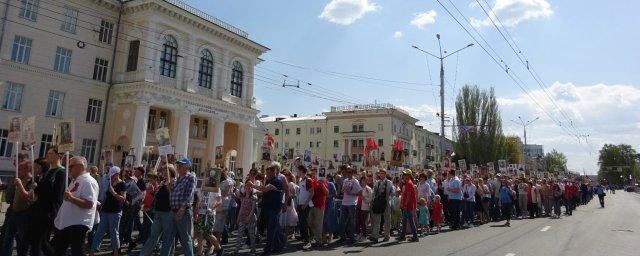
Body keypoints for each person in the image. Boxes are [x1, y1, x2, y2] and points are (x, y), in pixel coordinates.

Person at [52, 156, 99, 256]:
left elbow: (89, 203)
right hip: (68, 222)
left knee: (77, 251)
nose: (68, 168)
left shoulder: (88, 181)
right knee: (57, 250)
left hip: (78, 223)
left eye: (71, 166)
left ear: (80, 166)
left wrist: (71, 198)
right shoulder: (75, 181)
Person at [26, 146, 66, 256]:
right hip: (39, 210)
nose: (47, 155)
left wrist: (37, 188)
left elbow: (56, 195)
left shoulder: (61, 173)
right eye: (47, 153)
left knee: (39, 242)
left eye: (51, 153)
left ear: (59, 155)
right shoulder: (48, 172)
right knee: (38, 241)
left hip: (48, 212)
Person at [139, 165, 177, 256]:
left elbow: (174, 195)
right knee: (153, 236)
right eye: (163, 170)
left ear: (171, 172)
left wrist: (170, 187)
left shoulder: (174, 182)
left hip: (168, 213)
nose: (163, 172)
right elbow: (157, 196)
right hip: (158, 212)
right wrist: (152, 193)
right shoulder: (163, 182)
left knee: (168, 237)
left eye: (165, 170)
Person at [90, 166, 127, 256]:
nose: (111, 176)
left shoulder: (122, 184)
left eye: (113, 175)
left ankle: (116, 253)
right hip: (106, 211)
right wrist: (100, 205)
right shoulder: (111, 183)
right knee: (99, 232)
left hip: (115, 212)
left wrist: (114, 193)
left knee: (114, 233)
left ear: (118, 174)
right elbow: (106, 197)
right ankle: (92, 252)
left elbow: (123, 199)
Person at [1, 160, 35, 256]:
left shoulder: (31, 182)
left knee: (22, 241)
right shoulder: (19, 179)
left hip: (24, 214)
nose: (18, 171)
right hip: (14, 212)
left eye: (20, 169)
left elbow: (28, 198)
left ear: (28, 170)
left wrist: (19, 185)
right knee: (7, 239)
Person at [254, 161, 286, 256]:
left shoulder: (278, 181)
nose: (266, 174)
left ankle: (267, 251)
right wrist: (255, 193)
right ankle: (279, 245)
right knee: (273, 228)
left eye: (268, 173)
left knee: (271, 230)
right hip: (267, 208)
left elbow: (265, 189)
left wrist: (252, 186)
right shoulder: (268, 180)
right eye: (266, 173)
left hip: (274, 209)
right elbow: (264, 192)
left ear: (273, 172)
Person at [169, 157, 196, 256]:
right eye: (178, 165)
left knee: (185, 239)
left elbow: (189, 195)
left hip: (183, 212)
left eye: (181, 165)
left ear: (187, 167)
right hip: (173, 211)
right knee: (169, 237)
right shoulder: (177, 179)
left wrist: (182, 208)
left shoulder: (190, 177)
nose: (178, 167)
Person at [194, 176, 222, 256]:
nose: (205, 180)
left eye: (207, 179)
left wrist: (212, 207)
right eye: (204, 178)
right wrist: (196, 211)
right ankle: (200, 253)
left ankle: (219, 248)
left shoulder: (216, 188)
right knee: (200, 233)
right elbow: (199, 201)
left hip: (210, 214)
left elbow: (219, 201)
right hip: (201, 213)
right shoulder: (201, 188)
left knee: (208, 233)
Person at [337, 165, 362, 245]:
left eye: (350, 172)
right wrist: (343, 190)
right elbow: (342, 190)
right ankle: (343, 237)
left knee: (352, 222)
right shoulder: (345, 180)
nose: (348, 174)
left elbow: (360, 192)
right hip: (344, 203)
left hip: (352, 204)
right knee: (341, 222)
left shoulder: (355, 181)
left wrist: (351, 193)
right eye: (347, 172)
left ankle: (352, 238)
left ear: (352, 173)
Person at [369, 169, 394, 243]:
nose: (381, 174)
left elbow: (392, 192)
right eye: (380, 173)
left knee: (387, 220)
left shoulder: (389, 182)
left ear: (385, 174)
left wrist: (390, 201)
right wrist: (372, 200)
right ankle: (375, 236)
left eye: (382, 173)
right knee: (377, 219)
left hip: (386, 202)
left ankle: (386, 235)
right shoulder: (377, 182)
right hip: (378, 203)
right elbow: (374, 192)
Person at [307, 168, 328, 249]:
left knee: (318, 224)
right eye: (311, 173)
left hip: (320, 205)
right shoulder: (311, 181)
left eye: (314, 173)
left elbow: (327, 193)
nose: (313, 175)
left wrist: (322, 184)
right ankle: (321, 237)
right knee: (310, 222)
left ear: (317, 174)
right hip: (312, 205)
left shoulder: (323, 181)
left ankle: (318, 241)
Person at [235, 181, 257, 254]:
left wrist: (249, 217)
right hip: (242, 217)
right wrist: (238, 217)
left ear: (251, 188)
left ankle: (253, 248)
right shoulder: (243, 197)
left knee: (251, 234)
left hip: (251, 218)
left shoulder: (253, 197)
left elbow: (253, 209)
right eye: (246, 187)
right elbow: (241, 208)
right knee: (240, 233)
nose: (247, 188)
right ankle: (236, 249)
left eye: (249, 187)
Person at [397, 169, 418, 242]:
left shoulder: (409, 183)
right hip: (406, 206)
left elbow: (409, 195)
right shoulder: (407, 183)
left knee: (410, 221)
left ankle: (415, 236)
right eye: (404, 174)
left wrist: (405, 204)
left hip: (408, 206)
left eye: (405, 174)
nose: (404, 176)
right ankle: (403, 235)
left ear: (409, 175)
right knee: (405, 221)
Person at [295, 165, 313, 248]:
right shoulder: (300, 180)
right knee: (301, 222)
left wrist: (305, 204)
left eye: (298, 170)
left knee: (304, 222)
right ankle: (304, 237)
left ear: (302, 171)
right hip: (300, 204)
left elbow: (312, 193)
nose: (297, 172)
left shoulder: (308, 180)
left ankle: (308, 240)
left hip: (306, 205)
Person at [323, 175, 339, 244]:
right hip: (323, 204)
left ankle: (330, 236)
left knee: (330, 220)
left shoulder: (331, 184)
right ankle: (324, 236)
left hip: (330, 204)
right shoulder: (321, 183)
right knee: (324, 221)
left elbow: (335, 194)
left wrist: (329, 196)